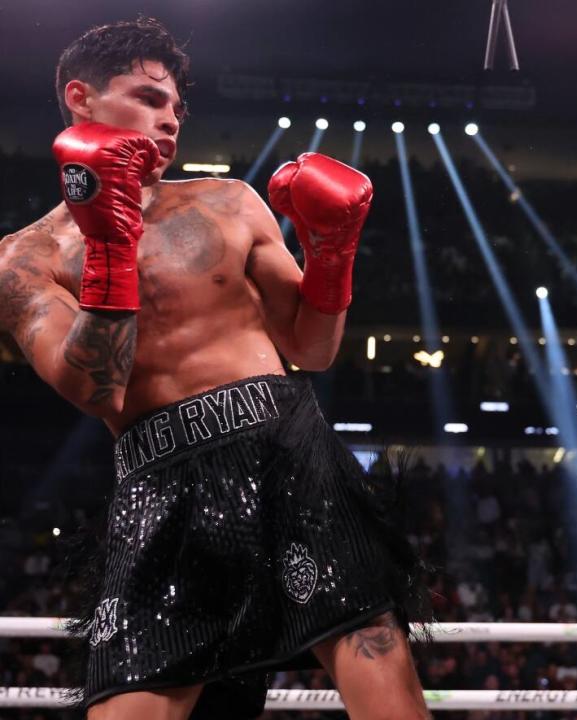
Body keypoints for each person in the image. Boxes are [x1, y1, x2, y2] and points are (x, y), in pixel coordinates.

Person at [0, 17, 428, 720]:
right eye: (147, 98)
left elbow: (312, 347)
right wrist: (110, 247)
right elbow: (93, 385)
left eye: (176, 108)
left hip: (284, 447)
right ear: (80, 98)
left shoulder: (230, 202)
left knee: (378, 667)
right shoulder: (26, 257)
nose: (169, 121)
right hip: (158, 478)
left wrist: (330, 253)